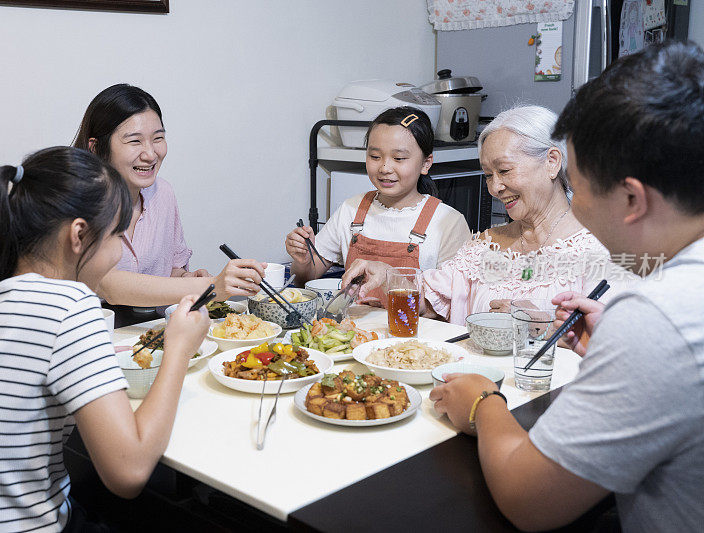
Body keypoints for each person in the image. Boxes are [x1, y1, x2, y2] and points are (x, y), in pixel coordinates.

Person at [431, 41, 704, 532]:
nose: (575, 207)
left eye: (580, 186)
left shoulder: (658, 317)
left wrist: (480, 401)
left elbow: (529, 501)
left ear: (632, 198)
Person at [0, 147, 210, 531]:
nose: (120, 251)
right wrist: (178, 349)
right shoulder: (68, 305)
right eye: (117, 235)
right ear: (79, 234)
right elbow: (130, 472)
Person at [344, 105, 630, 324]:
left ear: (552, 162)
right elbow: (428, 300)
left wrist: (542, 325)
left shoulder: (601, 252)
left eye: (504, 171)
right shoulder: (484, 246)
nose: (495, 187)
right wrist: (388, 275)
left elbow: (618, 349)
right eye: (488, 175)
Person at [73, 84, 264, 306]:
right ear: (96, 148)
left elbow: (170, 269)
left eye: (158, 138)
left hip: (148, 329)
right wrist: (212, 286)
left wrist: (186, 278)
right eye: (135, 141)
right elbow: (109, 285)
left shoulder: (162, 193)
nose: (151, 154)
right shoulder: (77, 200)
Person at [286, 106, 471, 297]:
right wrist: (303, 261)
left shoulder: (448, 222)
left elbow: (453, 301)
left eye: (399, 158)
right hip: (354, 326)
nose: (384, 167)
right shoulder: (351, 209)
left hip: (412, 326)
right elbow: (304, 281)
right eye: (375, 156)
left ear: (426, 163)